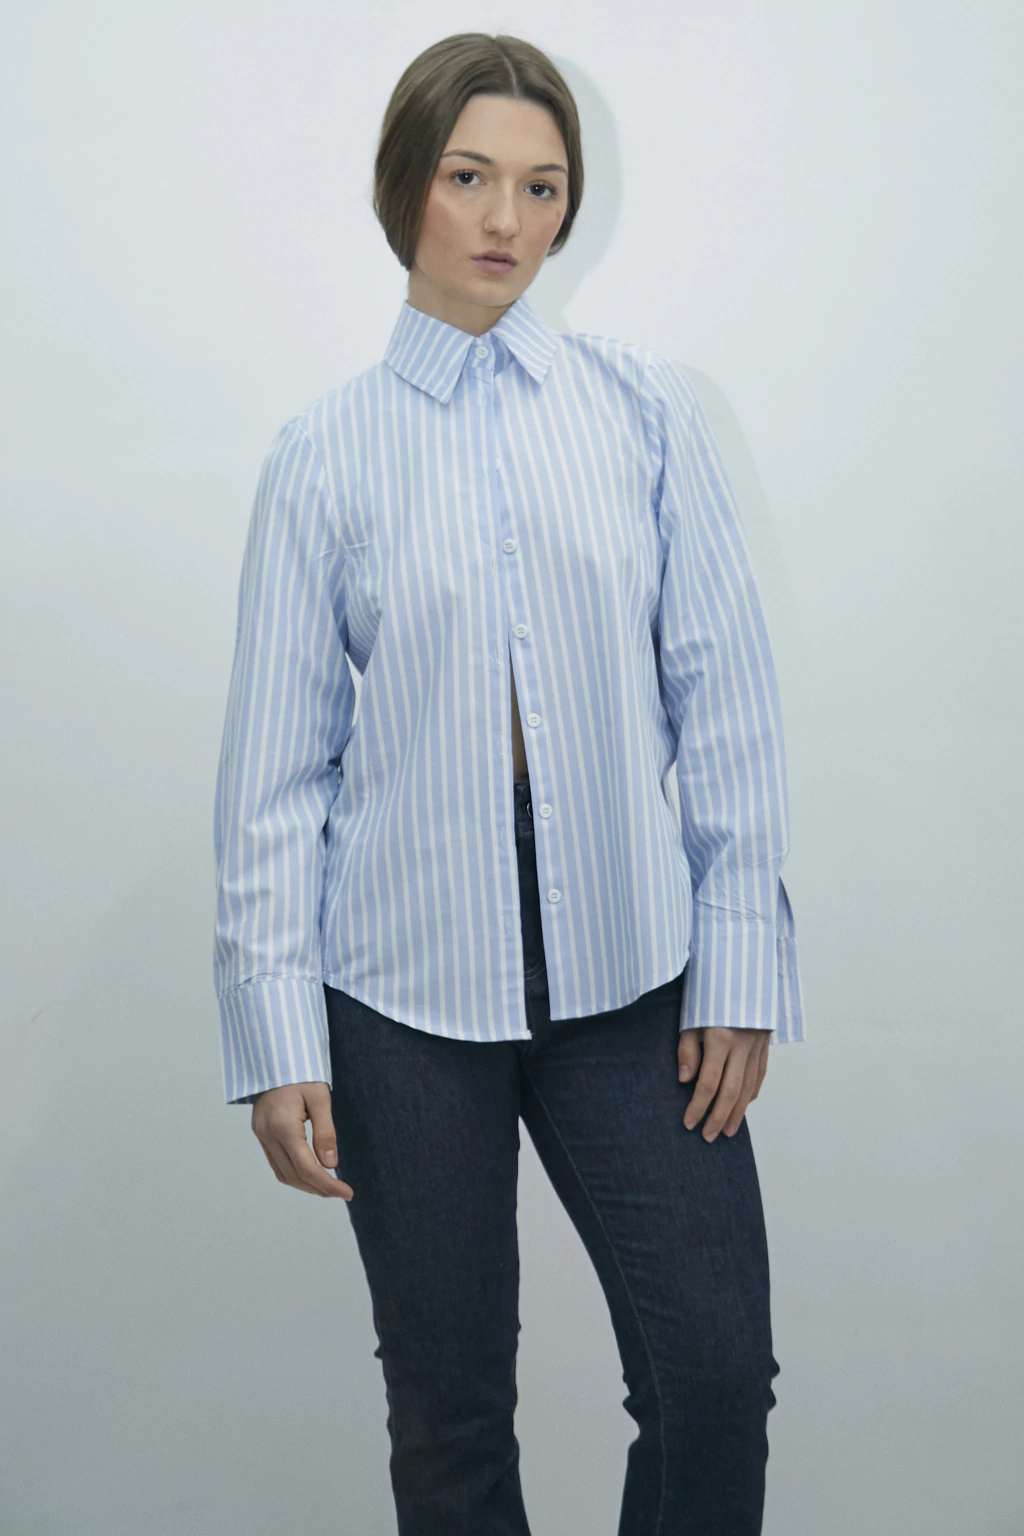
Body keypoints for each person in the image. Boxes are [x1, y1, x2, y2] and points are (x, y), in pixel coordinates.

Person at [212, 29, 806, 1536]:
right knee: (450, 1418)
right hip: (401, 998)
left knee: (712, 1372)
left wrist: (740, 960)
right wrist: (275, 1031)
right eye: (469, 176)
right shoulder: (322, 458)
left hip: (633, 976)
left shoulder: (649, 412)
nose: (505, 220)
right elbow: (278, 773)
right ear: (405, 184)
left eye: (542, 188)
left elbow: (724, 701)